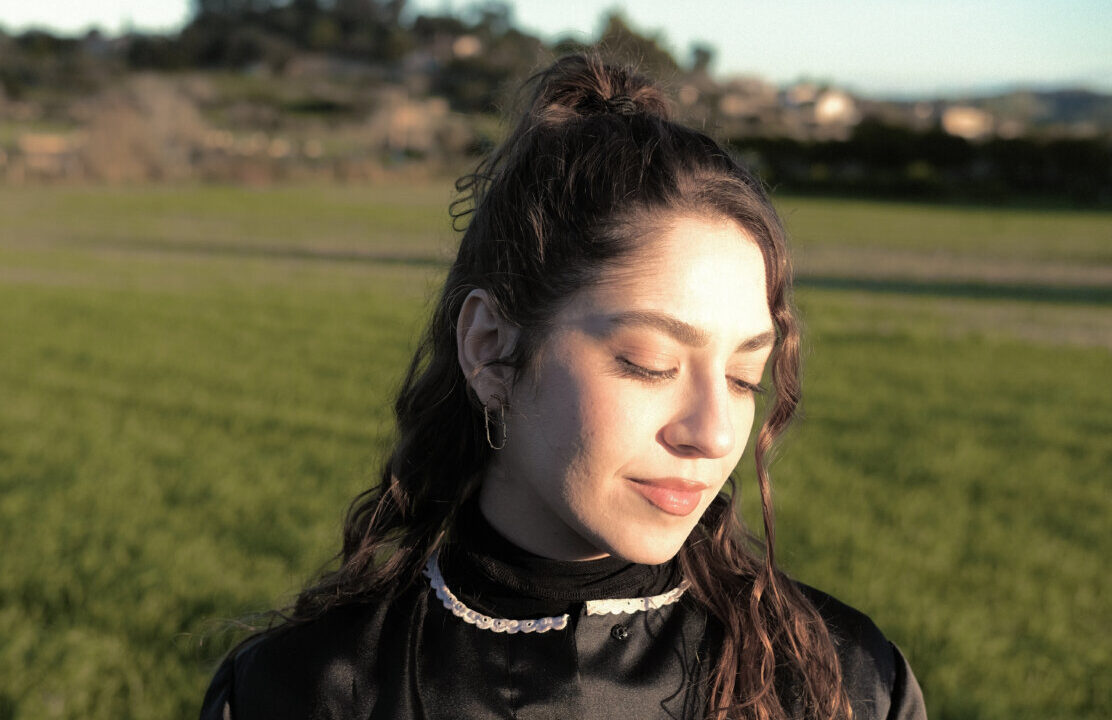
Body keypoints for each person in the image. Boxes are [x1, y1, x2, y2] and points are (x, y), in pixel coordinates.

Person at [201, 54, 926, 720]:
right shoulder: (305, 693)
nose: (713, 433)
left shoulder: (841, 682)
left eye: (743, 377)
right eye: (649, 363)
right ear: (490, 350)